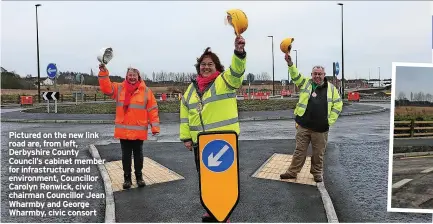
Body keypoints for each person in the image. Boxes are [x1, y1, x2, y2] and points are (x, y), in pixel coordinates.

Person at [179, 36, 246, 222]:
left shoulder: (225, 82)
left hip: (223, 142)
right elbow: (185, 113)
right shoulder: (191, 90)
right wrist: (186, 137)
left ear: (217, 67)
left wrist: (239, 53)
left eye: (210, 64)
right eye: (202, 64)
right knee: (205, 178)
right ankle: (210, 208)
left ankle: (224, 213)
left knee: (224, 180)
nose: (205, 67)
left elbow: (237, 72)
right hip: (200, 143)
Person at [279, 46, 343, 183]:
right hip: (303, 126)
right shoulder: (306, 84)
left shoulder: (331, 89)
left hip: (321, 128)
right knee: (299, 151)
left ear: (324, 75)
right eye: (315, 74)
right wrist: (290, 63)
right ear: (311, 75)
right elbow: (295, 75)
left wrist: (329, 121)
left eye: (320, 74)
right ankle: (292, 172)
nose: (317, 76)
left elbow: (338, 105)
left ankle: (317, 173)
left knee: (318, 154)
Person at [98, 64, 160, 189]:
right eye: (130, 75)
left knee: (138, 155)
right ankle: (127, 178)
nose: (132, 77)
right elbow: (106, 88)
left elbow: (153, 110)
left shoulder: (146, 91)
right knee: (125, 156)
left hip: (138, 131)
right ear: (126, 76)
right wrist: (104, 73)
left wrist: (155, 127)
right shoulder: (120, 88)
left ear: (138, 76)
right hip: (124, 131)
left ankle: (139, 177)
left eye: (134, 75)